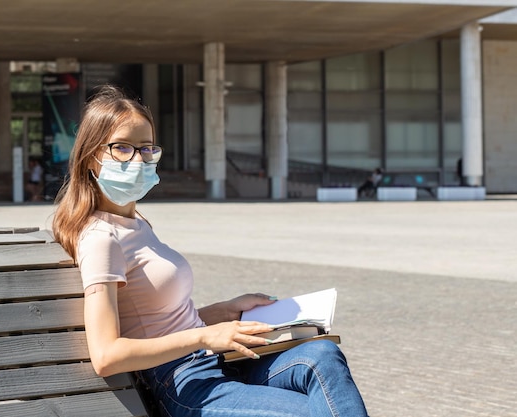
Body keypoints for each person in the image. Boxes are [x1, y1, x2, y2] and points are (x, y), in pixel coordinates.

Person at [52, 85, 368, 417]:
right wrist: (205, 338)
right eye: (122, 148)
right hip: (184, 383)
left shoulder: (137, 225)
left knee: (322, 356)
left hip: (217, 360)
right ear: (91, 157)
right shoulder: (101, 238)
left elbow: (160, 320)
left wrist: (226, 311)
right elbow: (106, 355)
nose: (137, 159)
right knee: (313, 411)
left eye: (146, 149)